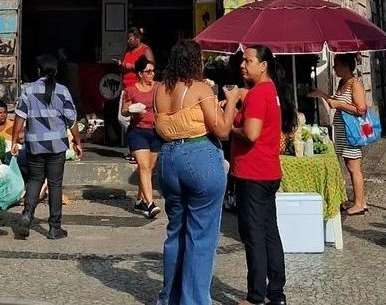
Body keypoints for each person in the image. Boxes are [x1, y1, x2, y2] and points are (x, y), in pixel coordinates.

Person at [154, 38, 242, 305]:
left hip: (168, 158)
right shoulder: (201, 89)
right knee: (200, 236)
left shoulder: (159, 89)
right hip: (199, 155)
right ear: (195, 61)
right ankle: (194, 300)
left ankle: (170, 297)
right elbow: (223, 131)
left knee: (176, 231)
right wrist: (233, 100)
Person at [231, 46, 296, 305]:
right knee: (269, 232)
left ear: (263, 65)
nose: (243, 65)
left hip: (253, 173)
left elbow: (251, 133)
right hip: (268, 172)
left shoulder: (260, 93)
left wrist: (232, 127)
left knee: (254, 234)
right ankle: (276, 293)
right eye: (242, 60)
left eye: (248, 61)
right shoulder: (270, 91)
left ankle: (256, 296)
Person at [11, 52, 82, 239]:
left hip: (34, 144)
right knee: (55, 184)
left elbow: (20, 116)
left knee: (35, 180)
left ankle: (27, 214)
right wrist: (77, 142)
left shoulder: (28, 90)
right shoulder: (63, 91)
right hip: (57, 145)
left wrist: (13, 141)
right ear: (56, 71)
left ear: (38, 71)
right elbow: (72, 120)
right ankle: (54, 227)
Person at [311, 53, 369, 215]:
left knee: (354, 166)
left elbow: (361, 109)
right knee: (349, 165)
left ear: (345, 65)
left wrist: (340, 104)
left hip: (352, 131)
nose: (334, 68)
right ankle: (361, 201)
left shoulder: (355, 83)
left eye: (336, 65)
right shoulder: (342, 82)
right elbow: (333, 103)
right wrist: (322, 95)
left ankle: (359, 203)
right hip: (343, 131)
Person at [121, 55, 161, 218]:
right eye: (148, 71)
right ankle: (150, 203)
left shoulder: (159, 87)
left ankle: (139, 200)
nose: (152, 74)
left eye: (153, 71)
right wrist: (132, 109)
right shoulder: (131, 90)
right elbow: (124, 110)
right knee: (144, 167)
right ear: (140, 73)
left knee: (150, 169)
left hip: (155, 131)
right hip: (138, 132)